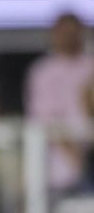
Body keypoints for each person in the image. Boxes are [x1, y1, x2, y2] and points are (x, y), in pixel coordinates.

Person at [25, 12, 94, 191]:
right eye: (64, 33)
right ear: (54, 34)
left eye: (73, 33)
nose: (68, 38)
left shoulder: (90, 66)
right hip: (57, 163)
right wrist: (75, 158)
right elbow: (43, 119)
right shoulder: (43, 71)